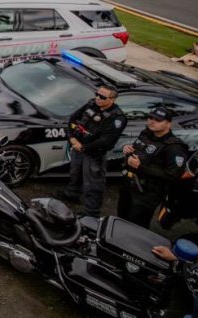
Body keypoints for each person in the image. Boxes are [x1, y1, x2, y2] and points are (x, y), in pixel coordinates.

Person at [56, 85, 128, 216]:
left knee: (93, 184)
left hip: (94, 154)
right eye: (97, 94)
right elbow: (73, 119)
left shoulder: (117, 118)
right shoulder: (91, 104)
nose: (98, 98)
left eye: (102, 97)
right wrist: (72, 138)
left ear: (112, 100)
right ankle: (72, 194)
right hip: (78, 146)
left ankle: (91, 212)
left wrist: (83, 147)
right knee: (74, 173)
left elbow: (106, 141)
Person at [118, 107, 189, 228]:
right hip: (129, 185)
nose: (152, 121)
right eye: (150, 117)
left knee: (136, 226)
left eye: (158, 119)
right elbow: (138, 153)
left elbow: (172, 175)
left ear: (168, 123)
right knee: (120, 219)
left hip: (147, 194)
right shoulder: (146, 133)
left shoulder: (175, 147)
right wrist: (127, 150)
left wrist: (141, 166)